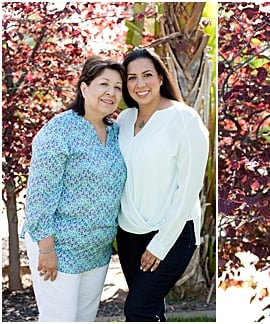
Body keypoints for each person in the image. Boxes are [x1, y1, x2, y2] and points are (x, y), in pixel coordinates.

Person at [22, 56, 127, 321]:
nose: (111, 92)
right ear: (83, 88)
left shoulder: (116, 132)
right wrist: (46, 249)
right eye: (104, 84)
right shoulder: (59, 130)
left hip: (97, 250)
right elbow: (39, 196)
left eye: (117, 87)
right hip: (58, 247)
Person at [116, 47, 209, 321]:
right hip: (129, 234)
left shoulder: (184, 119)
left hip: (172, 233)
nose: (139, 84)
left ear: (160, 77)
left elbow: (189, 188)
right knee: (151, 310)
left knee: (138, 310)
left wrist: (161, 244)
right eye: (131, 78)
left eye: (147, 75)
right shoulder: (124, 119)